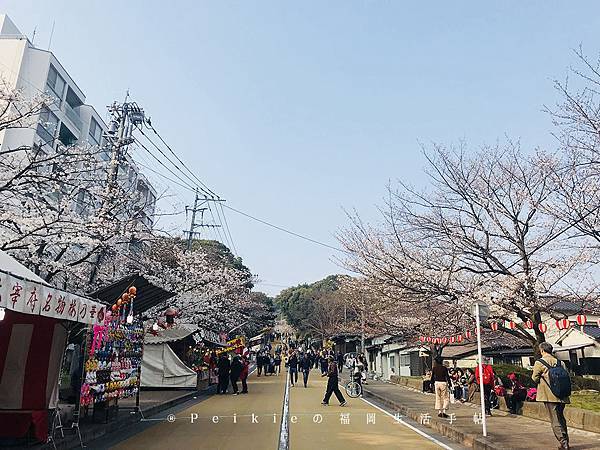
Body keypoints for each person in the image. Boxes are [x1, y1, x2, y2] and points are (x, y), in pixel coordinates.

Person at [532, 342, 571, 450]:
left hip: (549, 395)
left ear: (542, 351)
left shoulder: (539, 363)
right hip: (562, 395)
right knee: (561, 418)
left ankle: (563, 443)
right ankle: (566, 441)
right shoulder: (560, 362)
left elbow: (534, 378)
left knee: (555, 420)